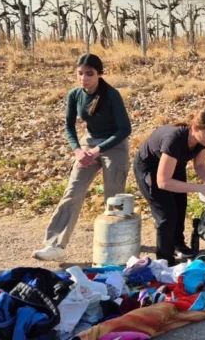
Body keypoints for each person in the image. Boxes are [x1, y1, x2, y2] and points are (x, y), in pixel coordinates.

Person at [34, 54, 132, 261]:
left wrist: (98, 150)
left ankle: (116, 245)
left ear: (99, 74)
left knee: (113, 198)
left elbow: (125, 129)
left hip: (114, 145)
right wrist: (78, 150)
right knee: (73, 192)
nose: (84, 78)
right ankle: (55, 245)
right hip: (89, 143)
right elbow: (68, 127)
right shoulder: (74, 95)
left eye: (89, 74)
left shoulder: (112, 95)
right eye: (80, 73)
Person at [133, 108, 205, 265]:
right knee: (166, 214)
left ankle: (178, 245)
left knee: (180, 205)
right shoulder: (175, 139)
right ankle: (165, 260)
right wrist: (199, 188)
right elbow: (163, 182)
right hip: (150, 168)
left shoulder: (201, 140)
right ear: (196, 128)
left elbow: (200, 165)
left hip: (174, 165)